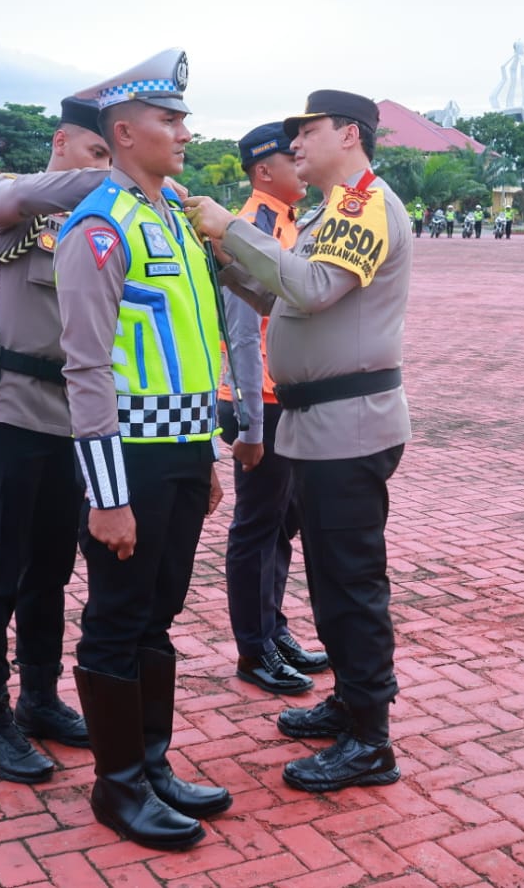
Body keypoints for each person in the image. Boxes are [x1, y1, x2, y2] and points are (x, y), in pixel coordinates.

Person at [185, 89, 411, 794]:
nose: (295, 147)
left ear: (347, 133)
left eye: (305, 132)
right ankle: (350, 702)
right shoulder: (327, 211)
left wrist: (231, 228)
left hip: (349, 424)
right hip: (321, 426)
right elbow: (286, 299)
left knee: (351, 583)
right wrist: (224, 261)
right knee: (329, 579)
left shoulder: (364, 204)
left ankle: (370, 740)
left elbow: (311, 290)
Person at [53, 49, 230, 851]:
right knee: (117, 618)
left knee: (156, 614)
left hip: (182, 452)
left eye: (183, 117)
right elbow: (86, 369)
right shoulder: (100, 227)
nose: (184, 132)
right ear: (124, 133)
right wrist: (106, 496)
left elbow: (194, 345)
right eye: (169, 120)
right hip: (128, 459)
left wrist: (207, 457)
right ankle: (116, 785)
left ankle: (150, 763)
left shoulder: (172, 217)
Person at [0, 96, 114, 784]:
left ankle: (39, 699)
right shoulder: (4, 199)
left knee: (49, 571)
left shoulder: (94, 224)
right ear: (63, 143)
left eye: (115, 156)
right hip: (3, 417)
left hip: (64, 418)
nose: (108, 168)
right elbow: (61, 189)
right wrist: (132, 170)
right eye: (101, 152)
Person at [220, 122, 329, 698]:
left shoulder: (288, 222)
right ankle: (252, 648)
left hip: (281, 397)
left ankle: (274, 627)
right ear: (265, 171)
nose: (302, 164)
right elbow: (241, 333)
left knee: (282, 525)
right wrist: (251, 424)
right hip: (257, 401)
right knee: (256, 528)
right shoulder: (250, 227)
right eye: (293, 158)